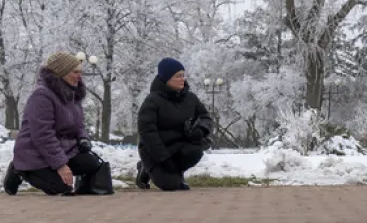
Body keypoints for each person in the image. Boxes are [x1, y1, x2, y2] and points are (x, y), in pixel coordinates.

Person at [3, 52, 112, 196]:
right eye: (75, 72)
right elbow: (43, 136)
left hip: (65, 149)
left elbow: (78, 125)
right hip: (35, 153)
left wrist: (83, 138)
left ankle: (63, 172)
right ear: (61, 73)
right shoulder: (41, 96)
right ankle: (20, 169)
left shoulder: (73, 94)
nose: (80, 77)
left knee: (92, 165)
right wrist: (61, 165)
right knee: (61, 188)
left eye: (81, 72)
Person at [135, 58, 213, 191]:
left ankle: (177, 172)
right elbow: (148, 134)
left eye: (183, 75)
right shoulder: (152, 101)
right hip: (154, 151)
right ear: (166, 78)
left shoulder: (191, 98)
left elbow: (205, 117)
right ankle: (145, 168)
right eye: (178, 76)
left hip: (179, 147)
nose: (182, 79)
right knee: (171, 186)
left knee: (196, 150)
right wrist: (163, 159)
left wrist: (200, 129)